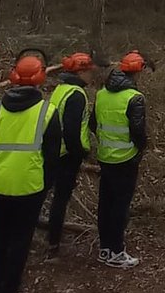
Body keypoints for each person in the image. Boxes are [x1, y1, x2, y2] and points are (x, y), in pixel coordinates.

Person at [0, 52, 62, 293]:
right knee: (19, 242)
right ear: (41, 78)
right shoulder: (48, 112)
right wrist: (45, 185)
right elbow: (52, 158)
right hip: (29, 186)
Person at [93, 51, 148, 267]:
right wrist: (141, 149)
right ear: (138, 72)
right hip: (126, 159)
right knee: (120, 206)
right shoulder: (135, 98)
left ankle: (105, 249)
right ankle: (117, 251)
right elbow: (138, 131)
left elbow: (92, 124)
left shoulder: (101, 94)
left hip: (105, 156)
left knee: (105, 204)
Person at [45, 52, 96, 258]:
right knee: (60, 199)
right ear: (80, 71)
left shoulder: (61, 89)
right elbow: (72, 129)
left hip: (53, 150)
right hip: (67, 154)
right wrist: (81, 152)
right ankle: (53, 243)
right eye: (89, 72)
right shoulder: (76, 95)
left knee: (48, 194)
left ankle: (49, 239)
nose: (91, 76)